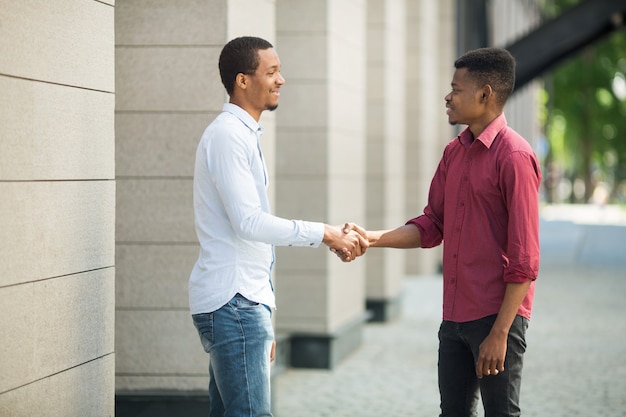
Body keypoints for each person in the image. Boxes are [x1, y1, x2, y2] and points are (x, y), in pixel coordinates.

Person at [346, 48, 541, 416]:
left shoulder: (514, 157)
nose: (447, 97)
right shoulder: (454, 153)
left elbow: (525, 260)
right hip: (454, 317)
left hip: (496, 316)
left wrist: (500, 333)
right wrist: (371, 238)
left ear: (485, 94)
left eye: (456, 89)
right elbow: (432, 225)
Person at [189, 36, 367, 417]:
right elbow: (249, 223)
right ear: (242, 81)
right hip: (234, 303)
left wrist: (264, 316)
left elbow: (250, 241)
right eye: (271, 72)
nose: (281, 80)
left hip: (242, 304)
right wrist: (325, 232)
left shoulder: (241, 135)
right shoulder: (227, 136)